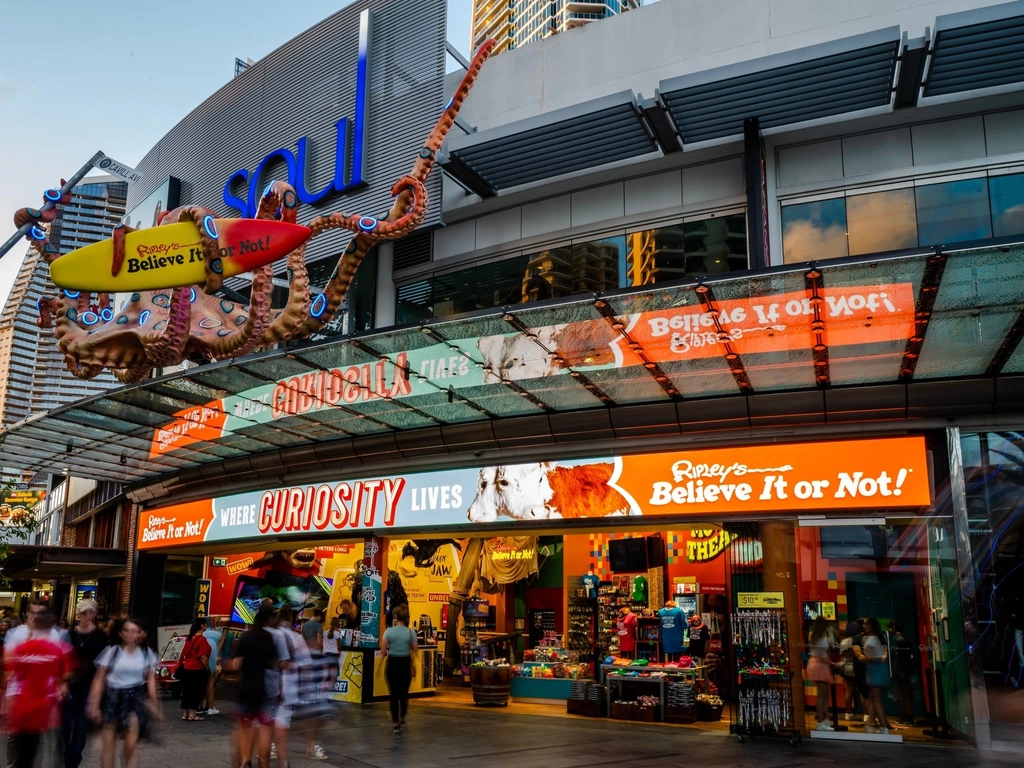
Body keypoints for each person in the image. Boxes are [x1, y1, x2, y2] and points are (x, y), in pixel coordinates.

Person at [4, 601, 75, 768]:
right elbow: (10, 669)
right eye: (33, 612)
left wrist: (62, 686)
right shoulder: (15, 633)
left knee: (43, 740)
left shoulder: (55, 636)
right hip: (19, 695)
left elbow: (61, 668)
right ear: (27, 614)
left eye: (40, 613)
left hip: (45, 697)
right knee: (17, 741)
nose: (36, 616)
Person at [87, 617, 162, 768]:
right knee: (109, 746)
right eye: (126, 630)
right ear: (120, 633)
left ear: (141, 634)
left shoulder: (147, 653)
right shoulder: (112, 652)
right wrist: (93, 704)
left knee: (131, 744)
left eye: (135, 631)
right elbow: (99, 679)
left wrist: (155, 703)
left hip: (135, 697)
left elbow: (151, 680)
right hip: (112, 697)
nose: (130, 634)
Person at [224, 604, 278, 768]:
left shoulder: (246, 636)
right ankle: (263, 761)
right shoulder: (268, 638)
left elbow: (236, 664)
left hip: (246, 688)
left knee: (245, 727)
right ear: (270, 618)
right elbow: (272, 663)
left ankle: (246, 762)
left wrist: (226, 664)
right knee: (265, 728)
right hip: (262, 689)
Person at [64, 599, 111, 768]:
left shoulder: (101, 636)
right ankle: (65, 754)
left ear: (94, 614)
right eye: (83, 613)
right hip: (70, 684)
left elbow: (104, 666)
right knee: (66, 724)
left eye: (90, 612)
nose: (87, 616)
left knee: (81, 727)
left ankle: (73, 761)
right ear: (78, 614)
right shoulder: (69, 634)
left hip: (90, 685)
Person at [381, 604, 418, 735]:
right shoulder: (411, 632)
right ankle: (402, 717)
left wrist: (380, 661)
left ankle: (395, 723)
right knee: (403, 693)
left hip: (392, 663)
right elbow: (415, 648)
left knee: (393, 694)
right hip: (405, 663)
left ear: (396, 617)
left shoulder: (388, 631)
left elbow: (383, 649)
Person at [854, 617, 891, 734]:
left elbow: (881, 656)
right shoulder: (871, 638)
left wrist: (868, 658)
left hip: (875, 669)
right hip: (872, 669)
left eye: (866, 624)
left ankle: (883, 726)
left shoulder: (874, 638)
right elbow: (884, 654)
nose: (864, 626)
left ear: (872, 626)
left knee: (876, 699)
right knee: (871, 698)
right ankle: (874, 721)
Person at [806, 615, 836, 731]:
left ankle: (825, 719)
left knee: (823, 695)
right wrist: (833, 663)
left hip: (814, 663)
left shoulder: (812, 635)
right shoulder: (822, 638)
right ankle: (820, 722)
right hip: (820, 665)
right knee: (822, 696)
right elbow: (824, 655)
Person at [178, 620, 211, 722]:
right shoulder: (202, 640)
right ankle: (193, 714)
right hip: (197, 668)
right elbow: (203, 656)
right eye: (205, 624)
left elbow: (183, 654)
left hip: (187, 668)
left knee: (187, 691)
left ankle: (185, 713)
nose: (206, 626)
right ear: (202, 626)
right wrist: (206, 667)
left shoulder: (189, 638)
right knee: (196, 691)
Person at [889, 620, 916, 726]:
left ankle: (908, 717)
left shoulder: (899, 640)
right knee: (904, 693)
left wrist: (900, 671)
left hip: (903, 670)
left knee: (905, 694)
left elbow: (901, 658)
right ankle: (906, 715)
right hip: (904, 669)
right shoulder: (903, 638)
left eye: (891, 628)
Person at [838, 620, 865, 721]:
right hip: (858, 667)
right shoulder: (859, 640)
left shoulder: (844, 642)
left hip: (846, 668)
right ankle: (867, 714)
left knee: (849, 690)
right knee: (862, 691)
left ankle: (848, 713)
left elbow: (842, 655)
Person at [200, 619, 226, 716]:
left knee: (202, 683)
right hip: (211, 657)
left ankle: (199, 706)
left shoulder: (202, 635)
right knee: (210, 681)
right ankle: (210, 707)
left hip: (202, 659)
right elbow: (222, 640)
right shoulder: (218, 635)